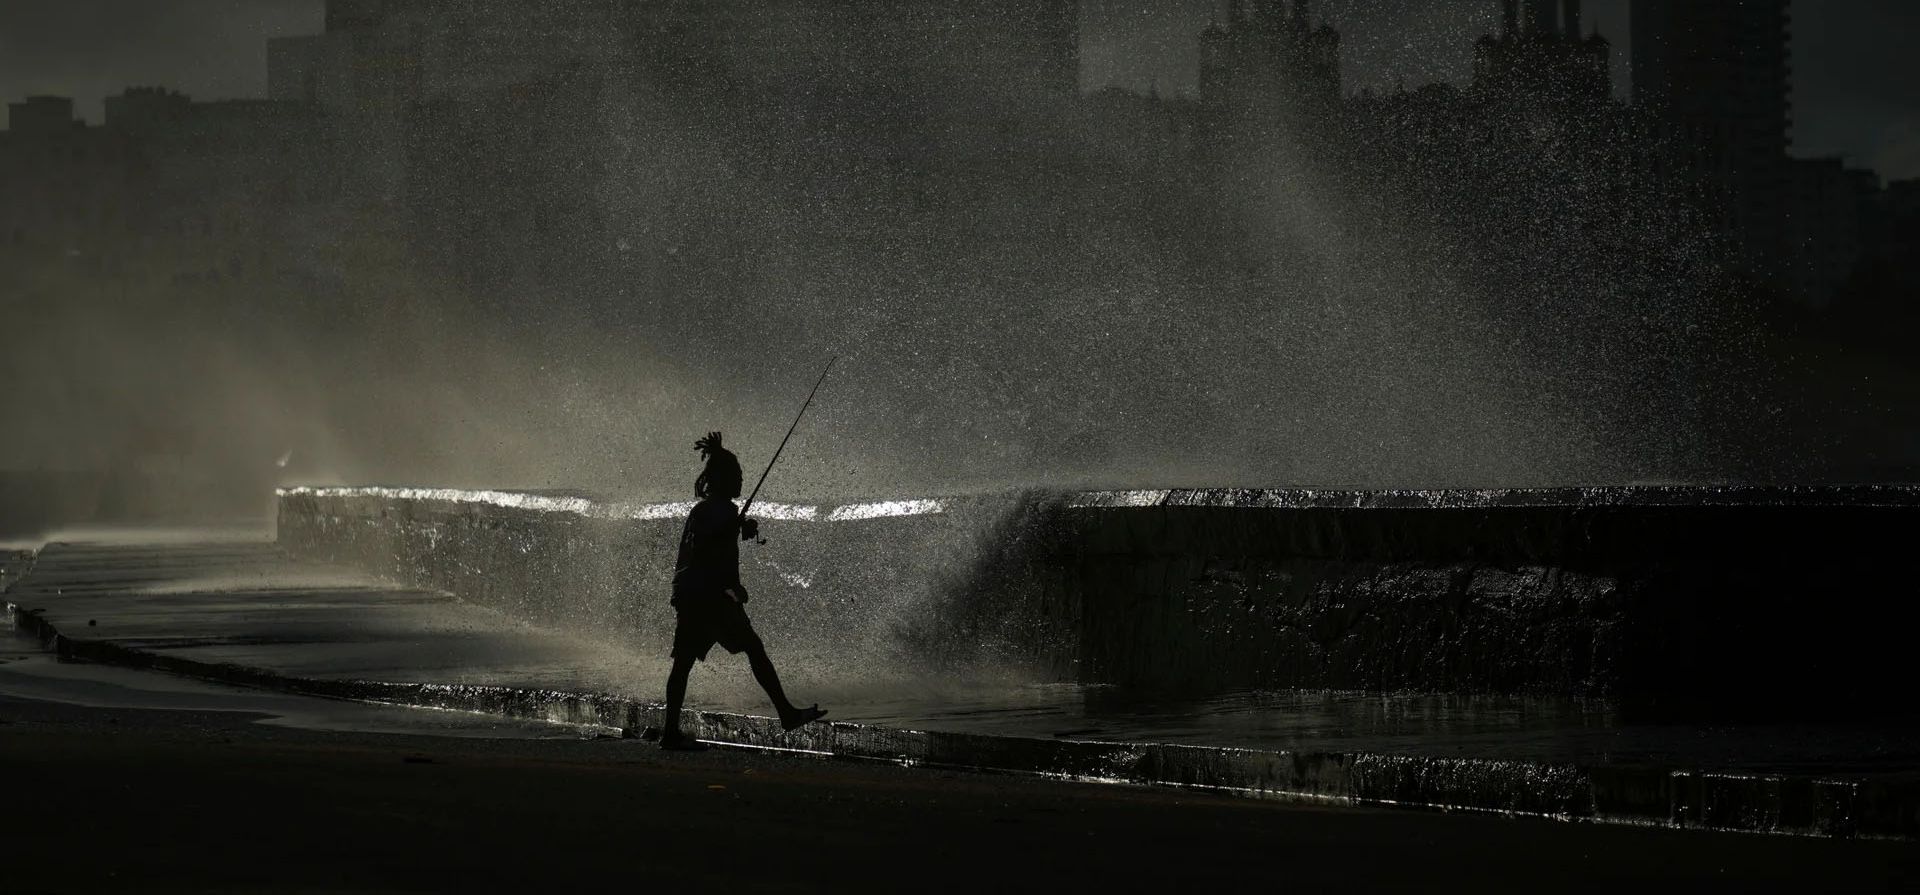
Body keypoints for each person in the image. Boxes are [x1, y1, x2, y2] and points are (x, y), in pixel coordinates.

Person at [657, 431, 826, 751]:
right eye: (736, 475)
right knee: (752, 648)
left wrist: (736, 535)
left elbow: (716, 552)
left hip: (692, 594)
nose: (741, 480)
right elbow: (707, 549)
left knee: (684, 663)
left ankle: (670, 733)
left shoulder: (708, 510)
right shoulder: (717, 512)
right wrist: (732, 536)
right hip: (707, 598)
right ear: (722, 479)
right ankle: (786, 713)